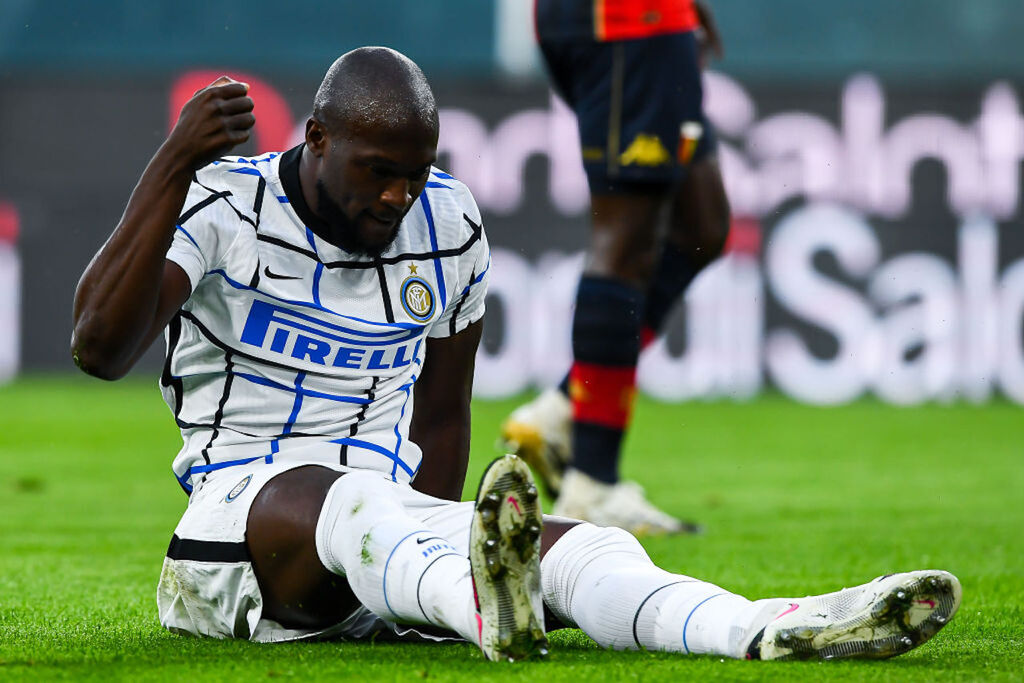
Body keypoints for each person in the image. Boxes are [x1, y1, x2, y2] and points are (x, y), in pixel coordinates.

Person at [71, 47, 960, 662]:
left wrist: (421, 558)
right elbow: (98, 347)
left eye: (415, 172)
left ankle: (765, 627)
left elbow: (443, 412)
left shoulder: (448, 221)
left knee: (586, 547)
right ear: (317, 139)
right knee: (350, 501)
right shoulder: (223, 206)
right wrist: (174, 162)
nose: (398, 195)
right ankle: (472, 601)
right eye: (378, 170)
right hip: (236, 536)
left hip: (392, 538)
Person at [501, 0, 731, 535]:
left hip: (650, 22)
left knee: (701, 227)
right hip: (625, 20)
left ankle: (564, 408)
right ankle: (592, 485)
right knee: (625, 240)